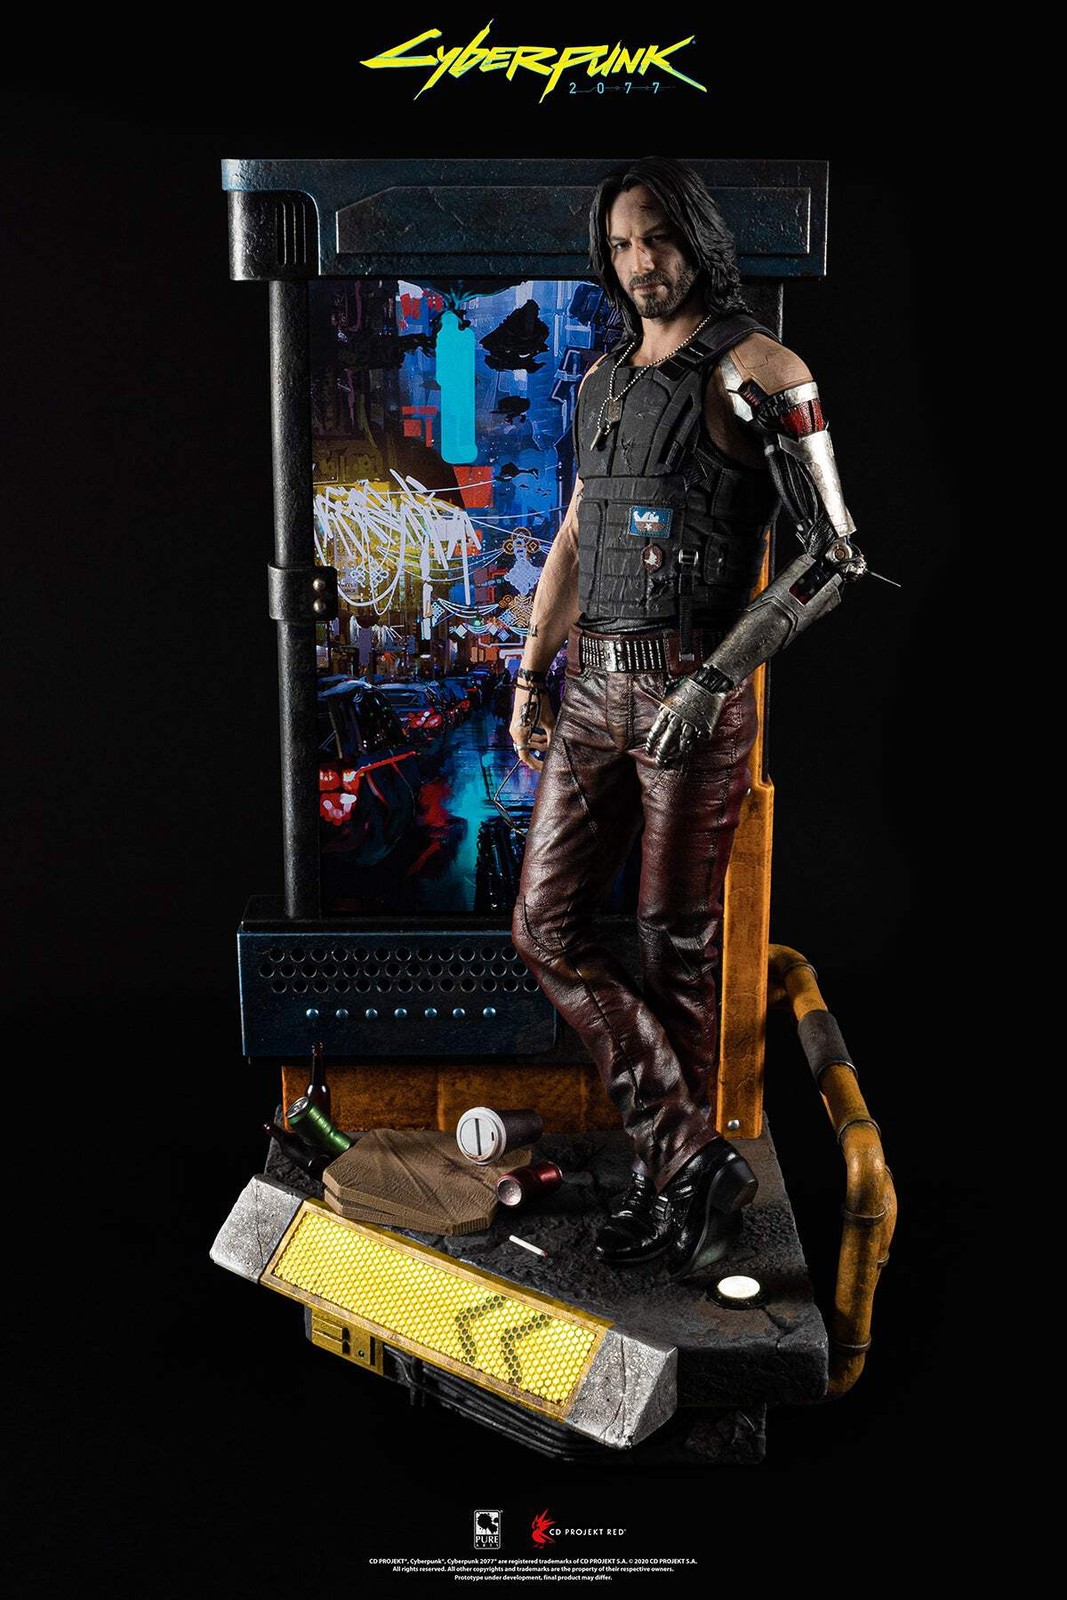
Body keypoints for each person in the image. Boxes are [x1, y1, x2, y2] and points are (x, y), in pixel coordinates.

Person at [509, 157, 867, 1283]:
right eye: (620, 244)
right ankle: (692, 1159)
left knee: (675, 945)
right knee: (546, 925)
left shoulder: (761, 367)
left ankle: (675, 1190)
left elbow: (833, 556)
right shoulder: (603, 378)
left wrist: (710, 685)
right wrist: (529, 673)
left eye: (656, 237)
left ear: (696, 237)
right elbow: (577, 532)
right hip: (591, 690)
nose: (639, 262)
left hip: (687, 693)